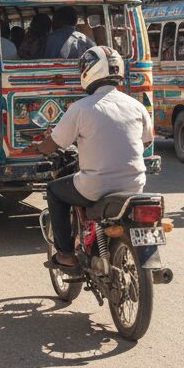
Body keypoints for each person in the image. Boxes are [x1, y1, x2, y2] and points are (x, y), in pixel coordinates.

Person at [36, 46, 153, 268]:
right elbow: (146, 141)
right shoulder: (136, 105)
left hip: (95, 187)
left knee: (54, 191)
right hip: (135, 184)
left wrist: (39, 149)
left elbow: (53, 144)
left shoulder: (81, 108)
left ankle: (66, 254)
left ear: (89, 71)